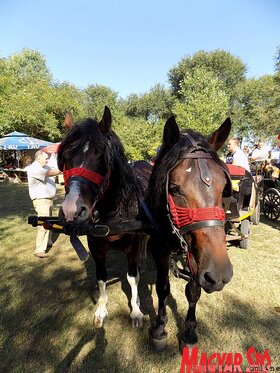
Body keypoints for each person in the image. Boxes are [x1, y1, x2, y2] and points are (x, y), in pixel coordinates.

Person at [27, 150, 61, 258]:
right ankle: (39, 249)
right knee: (43, 223)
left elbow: (52, 170)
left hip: (48, 199)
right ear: (38, 159)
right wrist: (64, 169)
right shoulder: (34, 168)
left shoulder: (44, 166)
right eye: (46, 158)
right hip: (41, 200)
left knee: (49, 221)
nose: (47, 160)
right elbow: (49, 173)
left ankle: (48, 242)